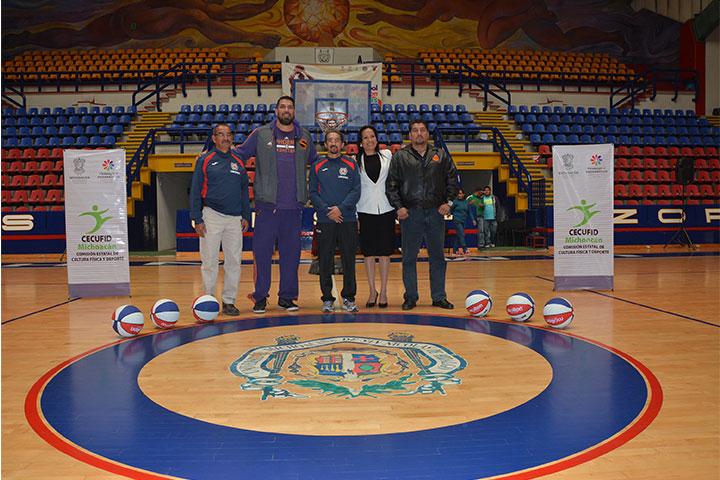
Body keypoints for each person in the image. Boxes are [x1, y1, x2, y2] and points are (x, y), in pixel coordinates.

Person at [232, 95, 320, 314]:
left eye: (290, 107)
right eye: (282, 106)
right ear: (276, 111)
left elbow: (317, 161)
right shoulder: (261, 134)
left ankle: (287, 298)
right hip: (267, 206)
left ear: (294, 111)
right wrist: (212, 155)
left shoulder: (304, 137)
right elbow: (239, 153)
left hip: (294, 208)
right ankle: (260, 296)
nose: (286, 110)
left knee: (291, 256)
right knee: (262, 254)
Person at [386, 119, 459, 310]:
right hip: (410, 214)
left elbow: (452, 181)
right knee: (409, 258)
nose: (419, 133)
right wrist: (398, 207)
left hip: (435, 213)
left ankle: (439, 297)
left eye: (422, 130)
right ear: (410, 134)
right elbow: (391, 185)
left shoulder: (440, 155)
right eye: (415, 130)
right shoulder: (400, 156)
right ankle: (411, 297)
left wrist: (448, 202)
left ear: (428, 133)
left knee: (438, 258)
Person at [189, 123, 250, 316]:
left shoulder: (239, 161)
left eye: (228, 134)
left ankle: (229, 301)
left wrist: (246, 215)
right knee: (209, 262)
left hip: (234, 218)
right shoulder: (205, 160)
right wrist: (197, 218)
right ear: (214, 139)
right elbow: (195, 190)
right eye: (221, 135)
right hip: (211, 216)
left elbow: (244, 191)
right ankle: (209, 302)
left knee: (234, 262)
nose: (226, 138)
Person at [309, 130, 361, 313]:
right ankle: (327, 299)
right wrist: (327, 211)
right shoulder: (317, 166)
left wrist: (341, 209)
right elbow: (313, 193)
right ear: (325, 144)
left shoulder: (351, 164)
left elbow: (356, 191)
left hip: (347, 219)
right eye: (330, 140)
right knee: (325, 260)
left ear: (342, 144)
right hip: (325, 220)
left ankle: (349, 298)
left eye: (337, 140)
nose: (333, 143)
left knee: (349, 259)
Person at [354, 125, 395, 308]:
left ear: (377, 139)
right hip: (365, 210)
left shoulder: (388, 155)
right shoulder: (355, 161)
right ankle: (372, 291)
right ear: (360, 143)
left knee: (385, 253)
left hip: (386, 209)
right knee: (368, 253)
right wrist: (355, 215)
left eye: (372, 136)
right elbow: (354, 189)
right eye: (365, 138)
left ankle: (384, 291)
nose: (369, 140)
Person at [449, 188, 475, 256]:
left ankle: (455, 250)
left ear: (463, 194)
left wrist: (473, 220)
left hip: (463, 220)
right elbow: (451, 209)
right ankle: (465, 249)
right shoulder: (455, 202)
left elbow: (469, 211)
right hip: (457, 220)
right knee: (462, 234)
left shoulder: (466, 202)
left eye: (460, 193)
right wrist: (449, 213)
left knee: (459, 235)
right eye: (458, 194)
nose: (459, 195)